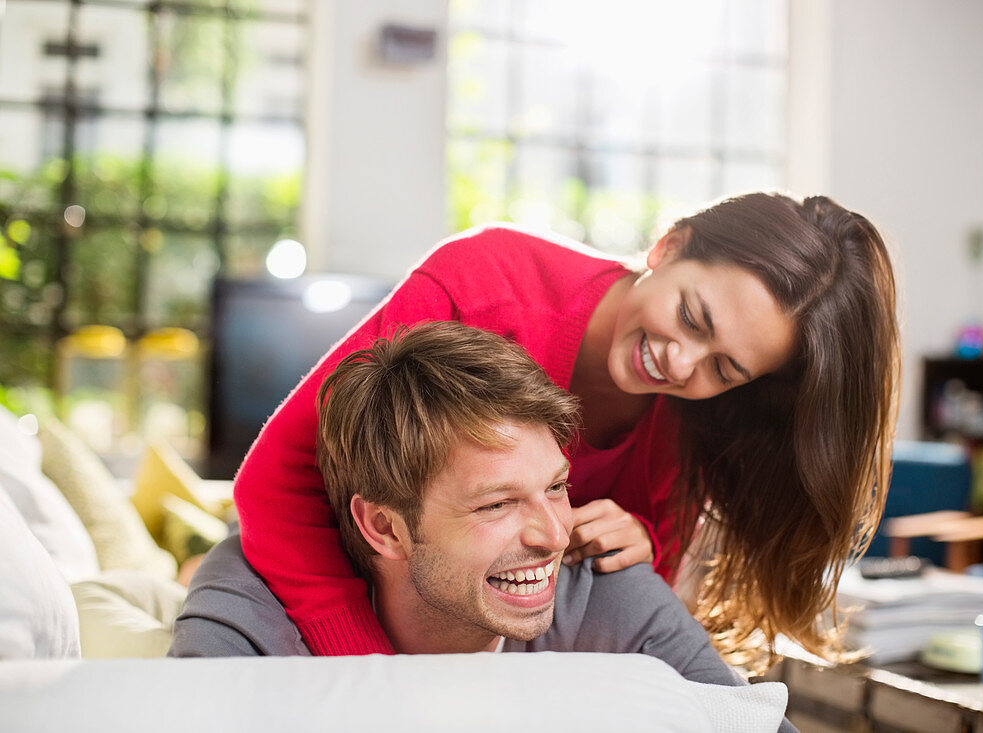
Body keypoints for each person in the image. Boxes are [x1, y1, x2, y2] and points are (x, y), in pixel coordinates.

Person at [234, 192, 900, 667]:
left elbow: (624, 613)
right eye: (693, 317)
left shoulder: (691, 420)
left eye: (724, 366)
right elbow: (276, 481)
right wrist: (372, 673)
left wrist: (644, 546)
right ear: (668, 246)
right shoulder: (483, 283)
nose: (681, 362)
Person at [170, 322, 740, 690]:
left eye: (557, 487)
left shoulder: (606, 587)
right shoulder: (248, 613)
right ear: (385, 528)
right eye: (496, 505)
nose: (552, 534)